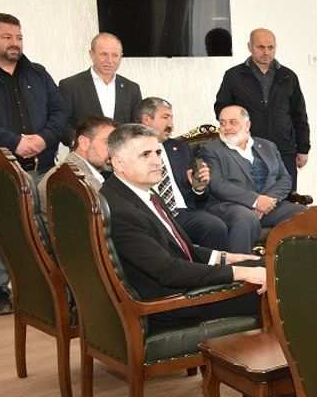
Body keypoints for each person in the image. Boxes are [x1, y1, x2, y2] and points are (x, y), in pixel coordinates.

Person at [98, 123, 264, 330]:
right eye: (145, 155)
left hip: (181, 288)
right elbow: (168, 270)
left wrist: (225, 258)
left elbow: (178, 248)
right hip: (172, 306)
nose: (157, 161)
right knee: (281, 284)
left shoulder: (139, 192)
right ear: (118, 163)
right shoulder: (120, 210)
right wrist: (238, 272)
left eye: (158, 152)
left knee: (270, 264)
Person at [0, 13, 68, 315]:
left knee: (46, 229)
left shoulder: (38, 73)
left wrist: (43, 139)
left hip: (42, 167)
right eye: (7, 37)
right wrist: (15, 141)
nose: (15, 43)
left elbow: (59, 112)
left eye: (19, 37)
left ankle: (48, 287)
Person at [213, 28, 310, 190]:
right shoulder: (234, 76)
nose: (266, 52)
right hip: (247, 151)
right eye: (261, 47)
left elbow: (299, 114)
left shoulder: (288, 76)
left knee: (285, 197)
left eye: (270, 47)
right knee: (253, 198)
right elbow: (222, 110)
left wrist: (303, 149)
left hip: (283, 151)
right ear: (249, 47)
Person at [201, 105, 304, 253]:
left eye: (233, 122)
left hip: (269, 205)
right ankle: (240, 265)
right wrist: (255, 201)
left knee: (305, 215)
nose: (226, 127)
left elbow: (285, 178)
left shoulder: (268, 146)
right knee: (245, 217)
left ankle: (292, 263)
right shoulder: (211, 149)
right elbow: (217, 184)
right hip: (230, 206)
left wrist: (267, 200)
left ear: (247, 124)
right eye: (222, 123)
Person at [135, 96, 230, 250]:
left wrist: (199, 188)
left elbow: (201, 197)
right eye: (165, 117)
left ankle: (215, 266)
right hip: (153, 212)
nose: (171, 124)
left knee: (215, 226)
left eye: (171, 118)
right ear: (146, 119)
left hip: (182, 212)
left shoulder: (180, 148)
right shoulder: (132, 150)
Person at [57, 32, 142, 147]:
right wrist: (77, 144)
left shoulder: (132, 89)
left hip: (121, 154)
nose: (109, 60)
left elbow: (136, 126)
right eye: (104, 54)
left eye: (115, 55)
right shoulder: (70, 86)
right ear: (92, 54)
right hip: (85, 153)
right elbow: (62, 123)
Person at [38, 115, 115, 233]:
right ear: (84, 143)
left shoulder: (66, 170)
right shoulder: (77, 180)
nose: (113, 151)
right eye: (107, 142)